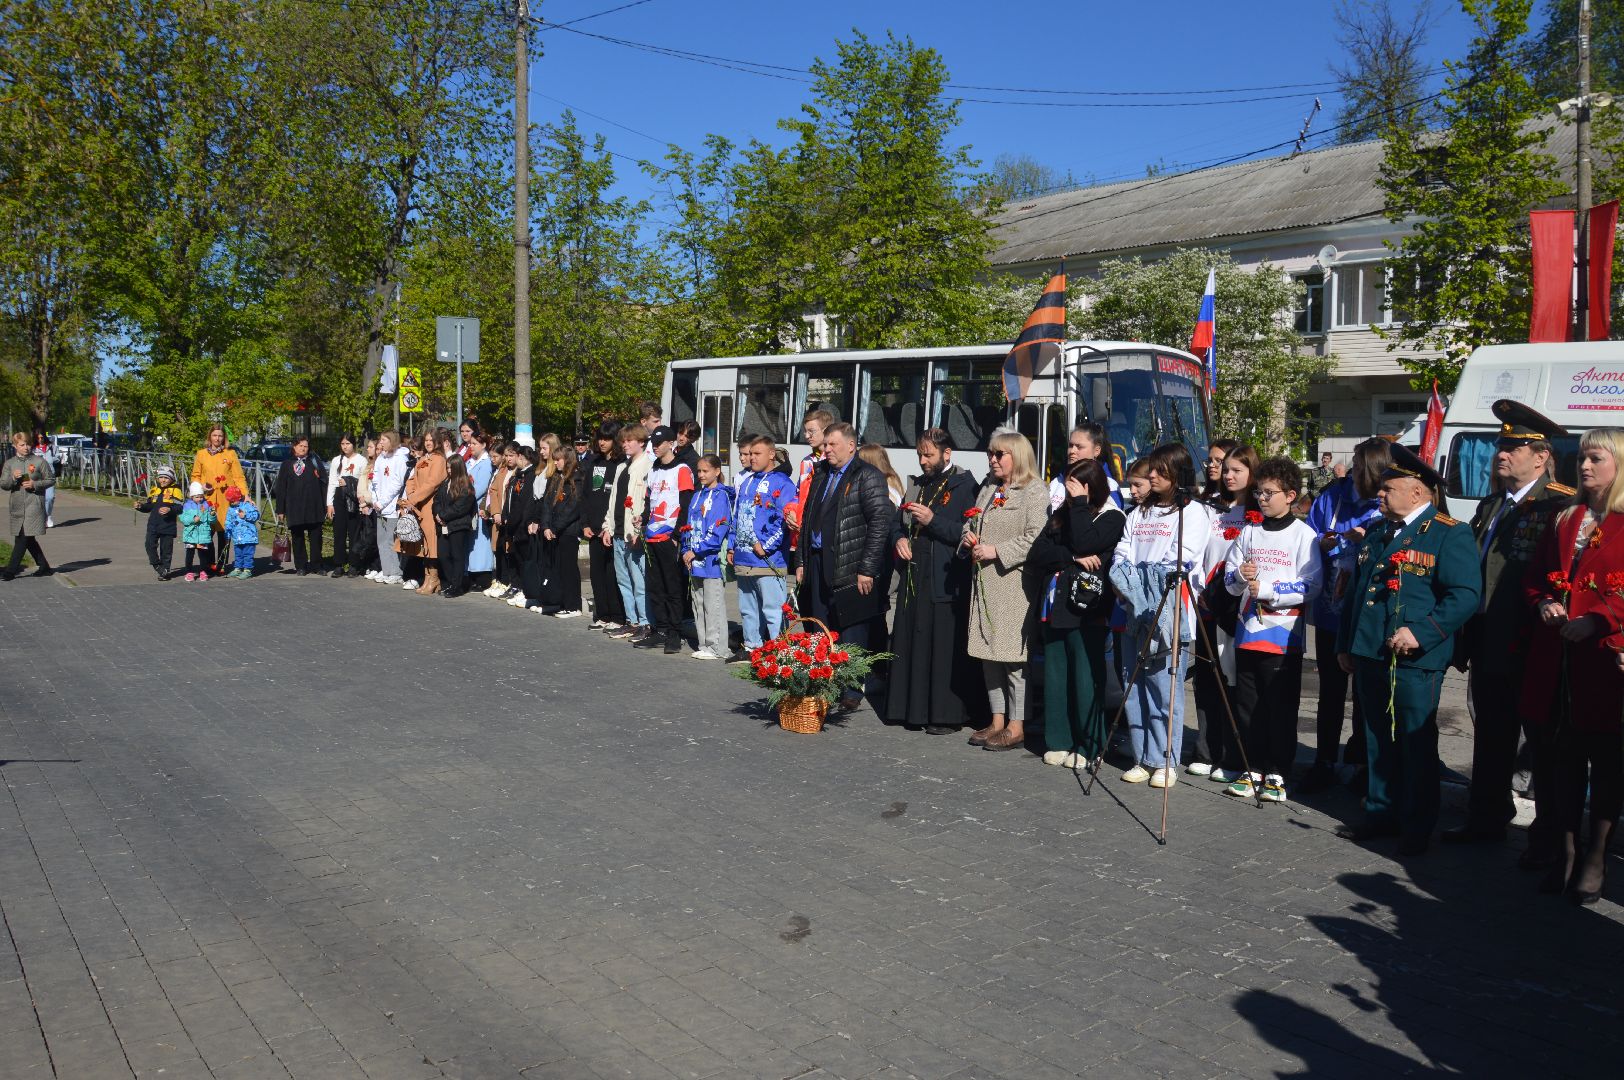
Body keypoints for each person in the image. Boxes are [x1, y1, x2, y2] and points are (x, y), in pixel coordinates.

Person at [1334, 444, 1481, 856]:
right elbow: (1359, 594)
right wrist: (1347, 644)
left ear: (1417, 492)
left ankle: (1416, 825)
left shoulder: (1448, 532)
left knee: (1415, 744)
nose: (1378, 495)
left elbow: (1465, 594)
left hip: (1415, 659)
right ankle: (1381, 813)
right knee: (1377, 737)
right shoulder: (1381, 531)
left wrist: (1423, 632)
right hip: (1371, 653)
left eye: (1388, 489)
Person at [1444, 401, 1571, 848]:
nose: (1502, 452)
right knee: (1492, 736)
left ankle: (1550, 832)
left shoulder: (1560, 504)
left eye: (1514, 446)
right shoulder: (1492, 503)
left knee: (1541, 740)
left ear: (1540, 455)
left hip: (1531, 642)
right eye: (1501, 444)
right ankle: (1486, 817)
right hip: (1487, 639)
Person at [1521, 427, 1624, 903]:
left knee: (1604, 763)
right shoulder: (1567, 518)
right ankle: (1565, 850)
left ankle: (1597, 854)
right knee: (1560, 762)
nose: (1584, 467)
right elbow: (1538, 577)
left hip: (1605, 663)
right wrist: (1543, 602)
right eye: (1582, 458)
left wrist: (1601, 620)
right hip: (1557, 660)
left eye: (1596, 458)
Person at [1109, 444, 1213, 787]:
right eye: (1151, 469)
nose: (1151, 475)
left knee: (1163, 686)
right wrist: (1127, 583)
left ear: (1177, 474)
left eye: (1159, 470)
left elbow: (1178, 560)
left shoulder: (1193, 512)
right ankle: (1142, 756)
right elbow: (1123, 550)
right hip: (1131, 605)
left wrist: (1137, 581)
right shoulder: (1139, 512)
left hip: (1168, 607)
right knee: (1133, 682)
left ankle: (1165, 759)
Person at [1220, 457, 1322, 802]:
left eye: (1269, 493)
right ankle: (1252, 768)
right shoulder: (1249, 530)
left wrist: (1266, 589)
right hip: (1248, 633)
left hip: (1283, 637)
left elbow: (1312, 584)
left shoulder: (1304, 534)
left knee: (1279, 708)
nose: (1262, 499)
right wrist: (1239, 577)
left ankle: (1278, 771)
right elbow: (1230, 578)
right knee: (1248, 705)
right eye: (1259, 492)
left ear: (1290, 495)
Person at [1299, 438, 1389, 794]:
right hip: (1331, 612)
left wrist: (1364, 539)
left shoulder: (1385, 498)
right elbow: (1312, 536)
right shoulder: (1332, 497)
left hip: (1366, 614)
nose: (1352, 470)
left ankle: (1362, 762)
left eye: (1358, 464)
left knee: (1366, 693)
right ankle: (1324, 761)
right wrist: (1335, 540)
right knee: (1331, 691)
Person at [1029, 458, 1126, 765]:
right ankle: (1059, 739)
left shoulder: (1112, 517)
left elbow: (1087, 541)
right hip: (1054, 606)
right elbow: (1038, 554)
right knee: (1057, 676)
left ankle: (1089, 744)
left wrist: (1081, 506)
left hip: (1088, 609)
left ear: (1089, 487)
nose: (1068, 493)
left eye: (1075, 486)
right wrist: (1071, 556)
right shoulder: (1062, 515)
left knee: (1085, 678)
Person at [885, 428, 982, 734]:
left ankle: (945, 714)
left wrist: (932, 521)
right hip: (915, 571)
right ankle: (910, 709)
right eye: (919, 455)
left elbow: (966, 533)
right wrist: (899, 538)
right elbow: (895, 522)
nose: (923, 461)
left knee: (942, 646)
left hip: (945, 576)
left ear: (946, 453)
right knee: (913, 639)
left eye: (928, 455)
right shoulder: (918, 483)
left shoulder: (965, 485)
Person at [793, 421, 893, 707]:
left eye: (832, 444)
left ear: (851, 446)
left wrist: (867, 568)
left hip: (850, 565)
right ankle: (825, 681)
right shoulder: (821, 473)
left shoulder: (867, 475)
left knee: (851, 630)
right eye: (824, 445)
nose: (826, 449)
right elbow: (808, 518)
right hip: (816, 560)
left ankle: (851, 689)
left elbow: (879, 524)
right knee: (821, 626)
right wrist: (800, 559)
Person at [962, 431, 1050, 752]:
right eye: (990, 454)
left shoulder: (1034, 492)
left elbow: (1035, 537)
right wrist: (969, 539)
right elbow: (970, 523)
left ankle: (1017, 725)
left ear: (1018, 456)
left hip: (1015, 585)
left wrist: (995, 551)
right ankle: (996, 720)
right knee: (989, 656)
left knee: (1013, 658)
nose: (993, 460)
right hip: (985, 584)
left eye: (1000, 455)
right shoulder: (989, 488)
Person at [1191, 444, 1260, 781]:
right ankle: (1206, 749)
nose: (1227, 475)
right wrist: (1198, 589)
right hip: (1206, 604)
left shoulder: (1257, 512)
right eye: (1223, 468)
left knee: (1234, 683)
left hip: (1240, 609)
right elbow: (1197, 553)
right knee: (1206, 679)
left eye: (1235, 470)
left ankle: (1234, 756)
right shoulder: (1209, 508)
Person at [730, 434, 798, 662]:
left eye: (756, 454)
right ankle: (751, 647)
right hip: (744, 557)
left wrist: (767, 547)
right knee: (748, 608)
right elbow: (737, 516)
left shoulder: (782, 482)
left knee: (772, 608)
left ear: (771, 454)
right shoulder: (748, 480)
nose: (751, 458)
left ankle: (779, 651)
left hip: (768, 560)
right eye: (749, 454)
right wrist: (732, 546)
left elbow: (784, 519)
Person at [637, 426, 695, 654]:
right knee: (655, 585)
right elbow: (650, 501)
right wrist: (641, 519)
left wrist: (677, 535)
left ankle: (674, 632)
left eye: (659, 443)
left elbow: (686, 504)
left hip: (670, 536)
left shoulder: (682, 469)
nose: (655, 446)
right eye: (653, 442)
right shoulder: (654, 469)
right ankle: (660, 629)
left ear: (671, 443)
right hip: (652, 535)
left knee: (673, 587)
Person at [604, 425, 652, 639]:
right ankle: (631, 620)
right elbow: (613, 500)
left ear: (641, 442)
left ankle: (645, 622)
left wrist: (638, 531)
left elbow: (644, 503)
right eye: (623, 441)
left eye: (629, 440)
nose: (625, 444)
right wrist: (608, 526)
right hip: (618, 532)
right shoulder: (621, 467)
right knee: (623, 580)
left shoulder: (647, 466)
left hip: (633, 533)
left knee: (639, 580)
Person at [683, 454, 733, 659]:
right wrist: (686, 550)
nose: (701, 475)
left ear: (717, 471)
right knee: (699, 602)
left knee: (713, 603)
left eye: (705, 471)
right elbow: (688, 525)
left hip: (710, 559)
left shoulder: (721, 496)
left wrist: (697, 550)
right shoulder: (697, 496)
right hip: (693, 559)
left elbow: (718, 529)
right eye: (699, 471)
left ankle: (718, 646)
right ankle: (704, 643)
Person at [579, 422, 627, 629]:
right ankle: (603, 614)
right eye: (600, 438)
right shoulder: (594, 463)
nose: (602, 442)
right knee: (596, 574)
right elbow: (587, 495)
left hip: (613, 528)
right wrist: (585, 523)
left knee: (612, 574)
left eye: (606, 438)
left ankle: (617, 616)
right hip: (594, 528)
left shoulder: (622, 464)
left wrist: (611, 526)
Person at [191, 425, 248, 573]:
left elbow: (238, 476)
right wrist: (200, 486)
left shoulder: (230, 454)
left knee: (224, 532)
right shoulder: (202, 454)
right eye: (215, 435)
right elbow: (195, 475)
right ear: (210, 436)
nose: (217, 438)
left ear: (224, 438)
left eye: (220, 436)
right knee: (207, 531)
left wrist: (245, 494)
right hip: (207, 498)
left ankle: (222, 564)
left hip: (225, 499)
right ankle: (209, 563)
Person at [399, 432, 448, 595]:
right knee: (424, 544)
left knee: (431, 543)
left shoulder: (439, 460)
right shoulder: (422, 459)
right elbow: (411, 479)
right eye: (426, 440)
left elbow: (433, 483)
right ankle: (428, 577)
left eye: (431, 440)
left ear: (438, 442)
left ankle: (434, 578)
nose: (428, 443)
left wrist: (414, 498)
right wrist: (412, 495)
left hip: (431, 505)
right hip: (419, 505)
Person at [1, 431, 54, 580]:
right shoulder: (10, 463)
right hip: (17, 505)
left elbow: (50, 479)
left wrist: (35, 484)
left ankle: (10, 571)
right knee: (28, 538)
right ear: (15, 446)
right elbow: (3, 484)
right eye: (22, 445)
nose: (26, 447)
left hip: (34, 504)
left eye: (28, 444)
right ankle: (44, 567)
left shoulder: (39, 461)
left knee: (22, 537)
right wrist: (12, 478)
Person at [540, 443, 584, 617]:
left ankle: (573, 605)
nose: (556, 463)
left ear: (567, 460)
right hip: (555, 530)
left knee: (569, 568)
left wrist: (556, 526)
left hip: (569, 531)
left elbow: (573, 507)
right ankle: (561, 602)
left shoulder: (577, 478)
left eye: (558, 460)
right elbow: (547, 503)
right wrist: (546, 525)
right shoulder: (556, 478)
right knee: (558, 568)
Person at [272, 437, 326, 575]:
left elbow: (323, 482)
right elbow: (281, 488)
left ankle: (317, 565)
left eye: (306, 446)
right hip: (294, 507)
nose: (303, 448)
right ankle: (301, 565)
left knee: (316, 537)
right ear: (294, 447)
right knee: (297, 537)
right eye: (300, 446)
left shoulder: (314, 462)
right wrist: (280, 510)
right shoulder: (286, 464)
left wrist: (325, 504)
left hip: (314, 505)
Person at [432, 455, 478, 598]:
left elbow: (461, 507)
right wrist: (438, 514)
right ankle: (451, 582)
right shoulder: (445, 483)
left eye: (451, 467)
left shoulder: (466, 485)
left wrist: (443, 516)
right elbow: (437, 500)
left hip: (458, 525)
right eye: (447, 467)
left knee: (457, 556)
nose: (449, 470)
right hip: (443, 524)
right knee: (443, 555)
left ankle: (457, 586)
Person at [1048, 424, 1121, 511]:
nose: (1072, 451)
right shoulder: (1057, 481)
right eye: (1071, 445)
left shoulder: (1110, 486)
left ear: (1097, 451)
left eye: (1079, 447)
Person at [368, 432, 409, 585]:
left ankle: (396, 571)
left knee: (391, 541)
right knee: (382, 541)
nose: (381, 442)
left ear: (392, 441)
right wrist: (375, 499)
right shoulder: (381, 458)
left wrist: (383, 502)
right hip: (379, 506)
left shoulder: (400, 459)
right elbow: (375, 479)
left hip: (391, 506)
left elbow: (397, 483)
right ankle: (387, 570)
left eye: (384, 440)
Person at [501, 444, 539, 606]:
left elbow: (523, 504)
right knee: (518, 558)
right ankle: (522, 588)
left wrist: (514, 522)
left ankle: (527, 590)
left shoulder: (529, 476)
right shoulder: (519, 475)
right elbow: (511, 499)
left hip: (522, 525)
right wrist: (506, 516)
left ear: (523, 458)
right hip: (514, 524)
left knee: (525, 560)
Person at [135, 464, 185, 579]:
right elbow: (150, 506)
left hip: (168, 525)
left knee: (166, 550)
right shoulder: (155, 489)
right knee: (149, 545)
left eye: (166, 478)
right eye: (161, 477)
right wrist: (140, 506)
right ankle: (157, 565)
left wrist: (170, 509)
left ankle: (165, 570)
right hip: (153, 524)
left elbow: (180, 507)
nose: (163, 480)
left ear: (171, 479)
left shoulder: (175, 490)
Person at [327, 435, 367, 577]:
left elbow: (363, 481)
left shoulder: (361, 460)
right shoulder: (337, 460)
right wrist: (329, 503)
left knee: (354, 532)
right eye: (343, 443)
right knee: (339, 532)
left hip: (353, 497)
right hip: (339, 497)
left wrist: (349, 482)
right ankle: (338, 564)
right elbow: (332, 481)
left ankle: (354, 564)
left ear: (353, 444)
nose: (345, 446)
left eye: (348, 443)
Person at [790, 410, 834, 537]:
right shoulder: (807, 461)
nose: (807, 436)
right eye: (805, 431)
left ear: (826, 431)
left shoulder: (834, 461)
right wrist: (791, 510)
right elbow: (799, 494)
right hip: (806, 530)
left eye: (811, 431)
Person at [479, 438, 513, 597]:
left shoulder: (505, 472)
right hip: (493, 515)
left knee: (503, 550)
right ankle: (499, 579)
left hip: (500, 515)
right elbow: (490, 491)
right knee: (497, 549)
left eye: (495, 457)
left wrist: (494, 511)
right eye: (491, 457)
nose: (492, 460)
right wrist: (484, 508)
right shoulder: (497, 471)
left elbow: (500, 494)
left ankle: (505, 581)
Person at [178, 482, 215, 581]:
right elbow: (182, 518)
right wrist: (192, 519)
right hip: (191, 535)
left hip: (203, 535)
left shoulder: (206, 505)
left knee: (203, 555)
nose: (199, 499)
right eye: (197, 497)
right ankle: (189, 572)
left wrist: (212, 514)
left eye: (201, 497)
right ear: (192, 496)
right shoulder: (187, 505)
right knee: (189, 554)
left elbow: (212, 520)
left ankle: (203, 571)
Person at [222, 486, 261, 579]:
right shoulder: (230, 509)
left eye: (233, 500)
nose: (231, 503)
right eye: (230, 501)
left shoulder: (247, 505)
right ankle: (238, 568)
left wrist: (245, 515)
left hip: (249, 536)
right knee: (238, 553)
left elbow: (256, 515)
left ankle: (248, 570)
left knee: (247, 554)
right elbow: (228, 521)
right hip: (237, 537)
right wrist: (227, 531)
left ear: (238, 498)